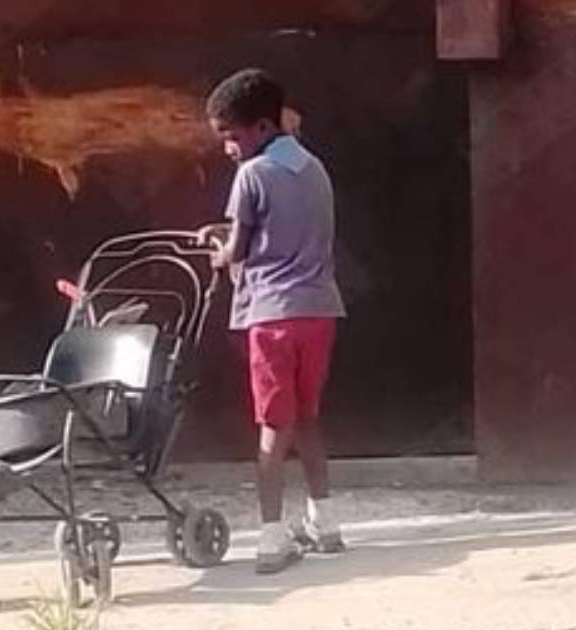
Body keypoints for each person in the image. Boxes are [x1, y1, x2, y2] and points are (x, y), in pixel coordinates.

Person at [198, 68, 347, 574]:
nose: (228, 149)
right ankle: (325, 522)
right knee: (306, 418)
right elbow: (287, 231)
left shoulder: (251, 175)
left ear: (261, 128)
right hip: (320, 310)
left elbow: (237, 249)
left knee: (271, 426)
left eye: (232, 137)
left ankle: (270, 537)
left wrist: (218, 250)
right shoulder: (315, 169)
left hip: (271, 316)